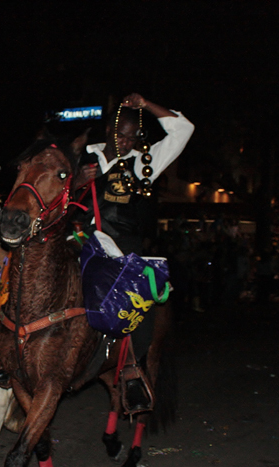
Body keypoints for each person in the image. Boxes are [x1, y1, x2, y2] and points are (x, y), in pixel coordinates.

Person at [77, 93, 194, 411]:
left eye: (132, 137)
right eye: (121, 135)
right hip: (82, 243)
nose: (126, 142)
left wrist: (146, 106)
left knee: (143, 302)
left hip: (122, 249)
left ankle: (132, 367)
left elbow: (183, 129)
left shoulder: (145, 164)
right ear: (108, 130)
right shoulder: (84, 157)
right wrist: (75, 181)